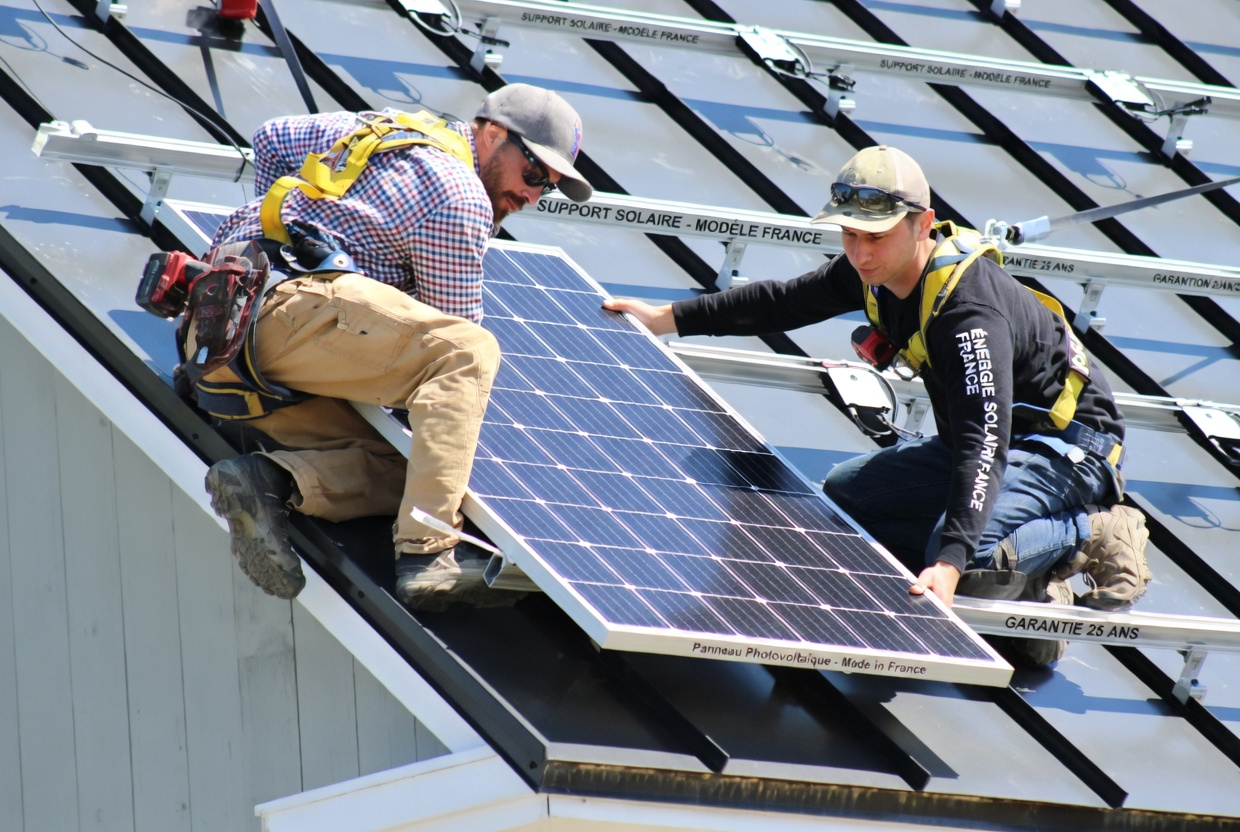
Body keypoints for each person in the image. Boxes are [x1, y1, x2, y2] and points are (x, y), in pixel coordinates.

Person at [605, 145, 1151, 667]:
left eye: (877, 237)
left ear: (922, 223)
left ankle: (1091, 530)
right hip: (987, 440)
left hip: (1067, 449)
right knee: (849, 497)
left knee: (960, 558)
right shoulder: (875, 274)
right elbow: (780, 301)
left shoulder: (969, 314)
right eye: (849, 234)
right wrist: (667, 318)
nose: (861, 252)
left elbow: (986, 444)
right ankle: (1030, 590)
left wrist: (949, 558)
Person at [196, 83, 592, 608]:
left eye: (550, 187)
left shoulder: (379, 129)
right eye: (535, 174)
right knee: (469, 353)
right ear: (493, 134)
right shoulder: (459, 196)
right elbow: (454, 336)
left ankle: (272, 482)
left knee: (419, 465)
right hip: (288, 319)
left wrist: (284, 235)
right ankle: (428, 554)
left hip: (215, 335)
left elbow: (271, 137)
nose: (533, 195)